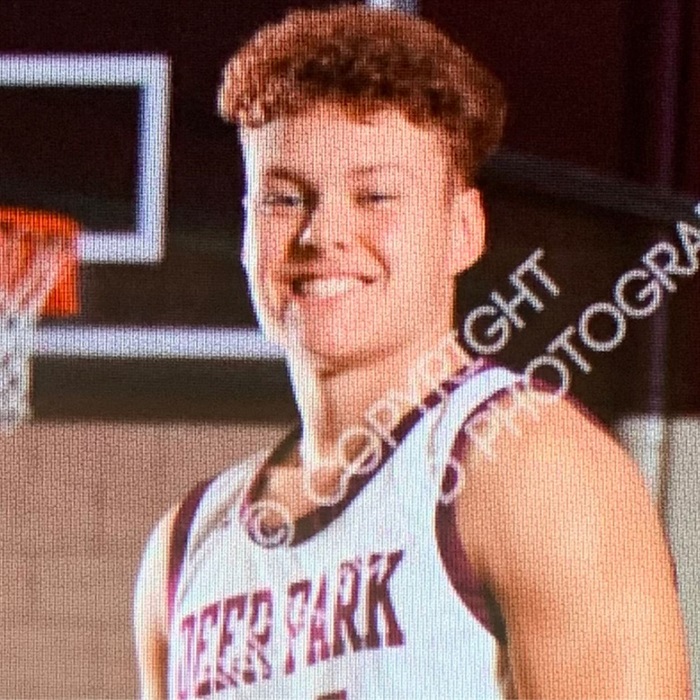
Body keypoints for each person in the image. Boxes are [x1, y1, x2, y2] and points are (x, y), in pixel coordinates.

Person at [133, 3, 691, 698]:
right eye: (283, 199)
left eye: (374, 195)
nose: (322, 234)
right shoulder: (186, 549)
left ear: (462, 231)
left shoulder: (528, 467)